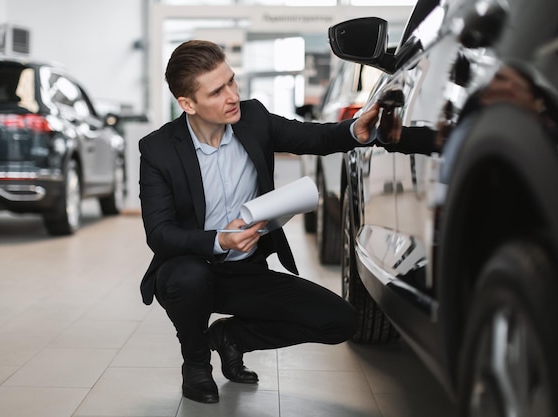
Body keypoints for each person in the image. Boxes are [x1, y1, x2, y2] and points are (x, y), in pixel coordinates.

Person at [138, 39, 385, 404]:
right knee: (189, 278)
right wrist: (220, 240)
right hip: (190, 268)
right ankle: (196, 363)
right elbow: (160, 234)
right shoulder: (158, 149)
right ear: (187, 104)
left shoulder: (252, 118)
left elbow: (311, 136)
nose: (232, 95)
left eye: (232, 82)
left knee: (341, 321)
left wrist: (353, 130)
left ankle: (231, 338)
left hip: (245, 272)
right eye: (217, 91)